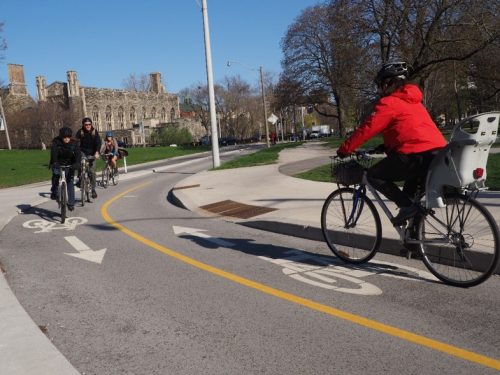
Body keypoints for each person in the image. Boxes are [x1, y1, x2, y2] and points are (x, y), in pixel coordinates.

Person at [337, 61, 447, 225]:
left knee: (374, 175)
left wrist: (345, 149)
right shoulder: (415, 102)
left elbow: (367, 128)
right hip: (436, 156)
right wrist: (386, 146)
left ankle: (407, 207)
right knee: (413, 200)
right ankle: (413, 244)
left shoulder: (390, 102)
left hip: (415, 156)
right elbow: (408, 130)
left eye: (381, 85)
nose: (380, 89)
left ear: (388, 83)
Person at [49, 127, 81, 211]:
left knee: (70, 181)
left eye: (68, 137)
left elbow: (78, 154)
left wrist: (77, 163)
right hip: (58, 163)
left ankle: (71, 203)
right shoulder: (56, 142)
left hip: (70, 164)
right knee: (56, 176)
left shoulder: (74, 143)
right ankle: (54, 191)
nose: (66, 139)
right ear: (61, 137)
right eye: (64, 137)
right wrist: (55, 162)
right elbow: (54, 153)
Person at [76, 117, 101, 199]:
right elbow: (76, 142)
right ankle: (80, 178)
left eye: (89, 124)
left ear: (91, 124)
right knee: (80, 162)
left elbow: (98, 143)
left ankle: (93, 189)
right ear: (83, 125)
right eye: (86, 124)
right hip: (83, 151)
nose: (88, 126)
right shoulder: (80, 132)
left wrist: (97, 152)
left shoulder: (94, 132)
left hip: (92, 153)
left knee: (92, 172)